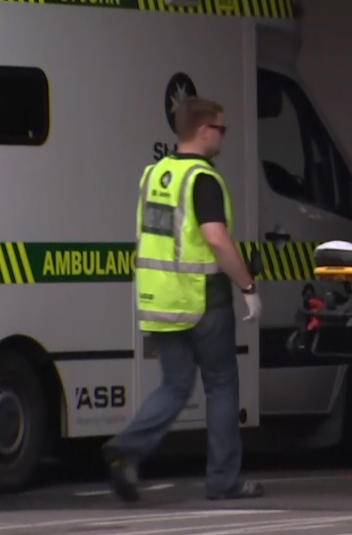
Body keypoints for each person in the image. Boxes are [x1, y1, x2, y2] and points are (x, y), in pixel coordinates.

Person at [102, 96, 264, 502]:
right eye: (221, 129)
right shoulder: (202, 178)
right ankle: (223, 480)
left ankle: (126, 448)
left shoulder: (154, 174)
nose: (223, 137)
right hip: (203, 299)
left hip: (161, 300)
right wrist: (247, 287)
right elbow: (215, 238)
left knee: (174, 387)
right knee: (222, 386)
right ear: (204, 129)